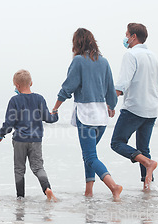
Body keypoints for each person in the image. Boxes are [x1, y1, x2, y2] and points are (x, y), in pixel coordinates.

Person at [52, 28, 122, 201]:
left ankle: (113, 186)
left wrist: (55, 108)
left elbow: (68, 87)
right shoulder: (104, 61)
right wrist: (112, 106)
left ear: (77, 43)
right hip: (102, 118)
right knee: (90, 155)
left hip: (86, 116)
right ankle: (89, 191)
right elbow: (110, 88)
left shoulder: (78, 61)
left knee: (90, 156)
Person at [111, 23, 158, 191]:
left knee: (117, 142)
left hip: (134, 109)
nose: (125, 38)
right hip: (151, 111)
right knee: (143, 148)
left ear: (133, 36)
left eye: (126, 35)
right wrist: (150, 95)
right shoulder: (155, 57)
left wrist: (109, 101)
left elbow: (122, 84)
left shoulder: (131, 55)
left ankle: (148, 163)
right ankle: (148, 188)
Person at [0, 69, 58, 201]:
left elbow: (9, 123)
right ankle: (47, 189)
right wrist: (55, 114)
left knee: (19, 169)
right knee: (38, 167)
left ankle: (20, 198)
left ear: (16, 85)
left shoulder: (14, 100)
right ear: (31, 83)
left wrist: (0, 135)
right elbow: (48, 118)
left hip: (19, 140)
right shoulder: (39, 99)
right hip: (36, 139)